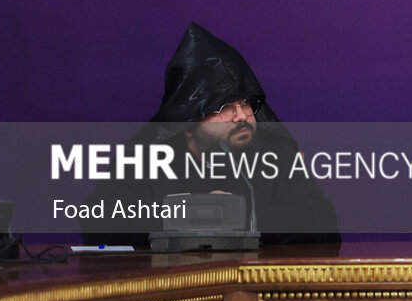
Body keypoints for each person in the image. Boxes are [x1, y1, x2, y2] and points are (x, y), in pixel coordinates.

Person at [80, 22, 340, 246]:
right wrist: (195, 214)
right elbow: (97, 222)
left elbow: (324, 223)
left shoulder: (277, 153)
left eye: (246, 103)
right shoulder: (146, 159)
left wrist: (241, 214)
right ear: (189, 119)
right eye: (224, 107)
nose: (241, 116)